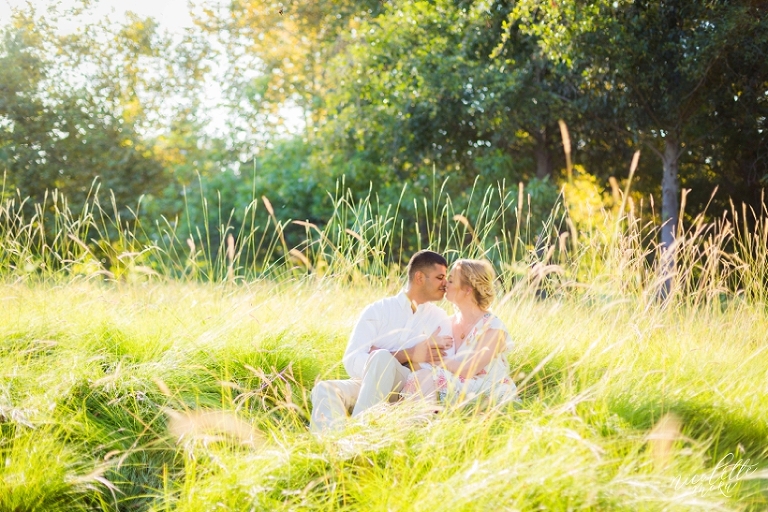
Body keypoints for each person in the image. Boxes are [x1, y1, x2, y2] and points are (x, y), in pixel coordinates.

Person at [309, 250, 454, 433]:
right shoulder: (378, 311)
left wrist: (382, 357)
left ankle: (358, 436)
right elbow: (352, 361)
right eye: (440, 277)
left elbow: (438, 367)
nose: (445, 284)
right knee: (325, 388)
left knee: (381, 357)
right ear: (419, 277)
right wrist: (408, 354)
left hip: (406, 386)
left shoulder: (440, 319)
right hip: (367, 384)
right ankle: (330, 445)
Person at [401, 259, 516, 406]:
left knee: (425, 377)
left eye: (450, 281)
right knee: (419, 376)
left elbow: (469, 369)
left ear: (467, 289)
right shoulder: (446, 323)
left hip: (486, 390)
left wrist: (437, 360)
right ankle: (421, 422)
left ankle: (422, 422)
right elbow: (423, 358)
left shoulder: (493, 328)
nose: (444, 284)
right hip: (455, 384)